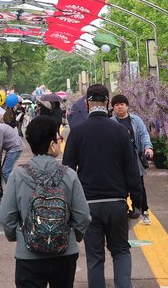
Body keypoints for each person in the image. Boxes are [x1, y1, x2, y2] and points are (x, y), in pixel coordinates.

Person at [61, 84, 140, 288]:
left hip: (88, 205)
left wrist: (70, 206)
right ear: (107, 103)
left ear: (87, 104)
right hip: (116, 203)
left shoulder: (77, 133)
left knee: (95, 258)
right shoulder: (121, 131)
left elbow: (67, 171)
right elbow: (131, 171)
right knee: (121, 251)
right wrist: (138, 204)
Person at [0, 114, 91, 288]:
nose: (60, 141)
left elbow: (5, 217)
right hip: (64, 254)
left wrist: (17, 237)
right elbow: (83, 216)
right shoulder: (69, 174)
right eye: (58, 138)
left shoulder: (18, 175)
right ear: (51, 144)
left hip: (28, 255)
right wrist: (73, 236)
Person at [110, 94, 153, 224]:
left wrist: (148, 148)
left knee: (139, 185)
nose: (119, 107)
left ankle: (143, 210)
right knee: (120, 185)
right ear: (113, 108)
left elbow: (144, 134)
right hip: (118, 160)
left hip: (134, 158)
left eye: (122, 104)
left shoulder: (136, 120)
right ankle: (124, 211)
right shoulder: (111, 122)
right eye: (116, 105)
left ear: (127, 106)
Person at [0, 113, 23, 203]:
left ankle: (14, 192)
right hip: (13, 147)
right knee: (4, 170)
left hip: (15, 148)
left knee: (5, 171)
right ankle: (10, 191)